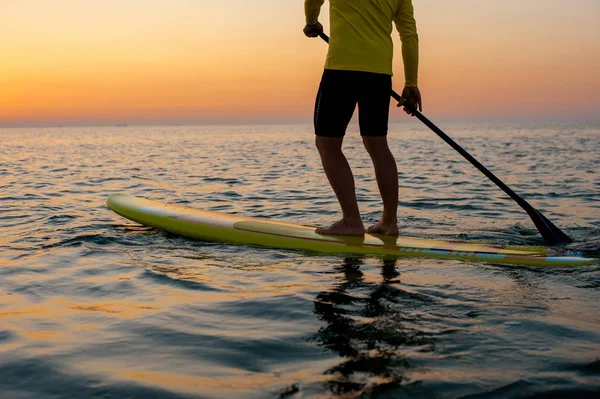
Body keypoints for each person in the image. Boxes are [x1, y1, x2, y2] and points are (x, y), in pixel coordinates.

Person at [304, 0, 422, 236]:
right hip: (379, 75)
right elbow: (409, 35)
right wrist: (411, 82)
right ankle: (389, 222)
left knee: (327, 144)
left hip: (341, 70)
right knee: (377, 144)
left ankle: (351, 221)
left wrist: (311, 22)